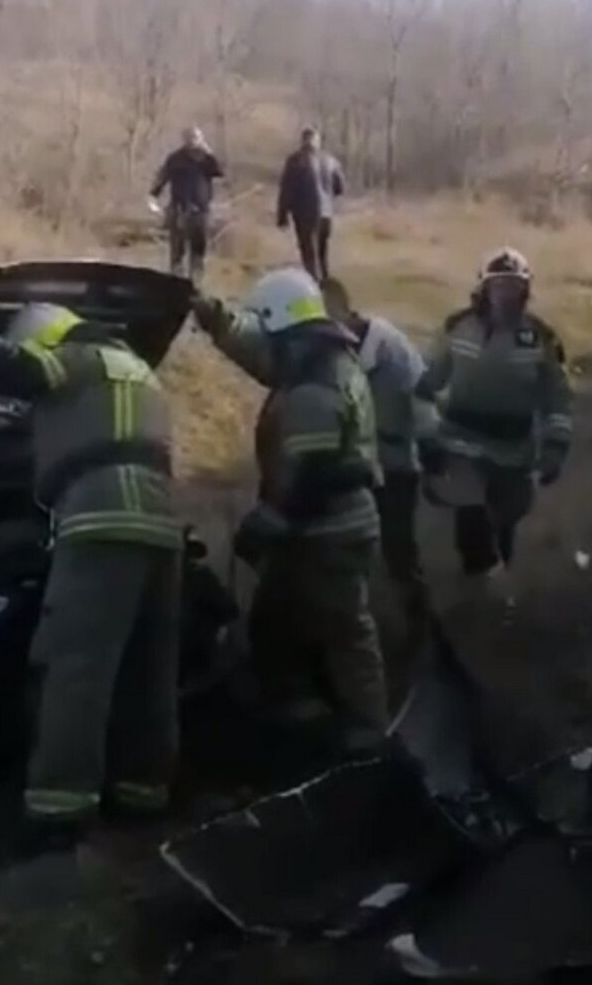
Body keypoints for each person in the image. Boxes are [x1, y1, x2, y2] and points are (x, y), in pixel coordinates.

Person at [0, 266, 182, 847]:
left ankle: (59, 808)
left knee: (76, 666)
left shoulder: (75, 358)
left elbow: (0, 367)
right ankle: (144, 793)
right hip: (160, 522)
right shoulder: (132, 369)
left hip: (101, 518)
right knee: (147, 668)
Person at [191, 268, 387, 747]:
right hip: (320, 529)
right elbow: (257, 351)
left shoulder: (314, 386)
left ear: (281, 326)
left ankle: (371, 736)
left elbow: (314, 472)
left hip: (328, 533)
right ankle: (295, 714)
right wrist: (212, 315)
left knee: (343, 632)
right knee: (276, 623)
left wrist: (270, 521)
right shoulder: (314, 359)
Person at [416, 248, 573, 580]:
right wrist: (427, 438)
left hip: (513, 450)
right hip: (460, 443)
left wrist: (556, 447)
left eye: (514, 286)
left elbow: (556, 398)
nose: (505, 294)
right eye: (498, 285)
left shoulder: (539, 339)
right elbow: (425, 385)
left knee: (505, 520)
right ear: (484, 290)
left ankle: (495, 589)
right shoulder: (458, 329)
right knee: (471, 520)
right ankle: (476, 583)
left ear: (525, 291)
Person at [321, 277, 437, 625]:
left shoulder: (390, 348)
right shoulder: (331, 352)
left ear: (345, 311)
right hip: (357, 466)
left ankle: (419, 624)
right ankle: (357, 620)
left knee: (398, 550)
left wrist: (429, 441)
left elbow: (421, 395)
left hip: (397, 465)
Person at [150, 127, 224, 282]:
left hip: (200, 211)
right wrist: (153, 195)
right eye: (189, 137)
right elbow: (163, 177)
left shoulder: (206, 159)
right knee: (177, 250)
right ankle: (176, 282)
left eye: (196, 137)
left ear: (200, 139)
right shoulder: (175, 158)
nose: (192, 140)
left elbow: (219, 172)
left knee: (198, 250)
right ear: (184, 139)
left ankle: (196, 283)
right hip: (179, 210)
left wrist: (208, 151)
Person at [277, 127, 345, 281]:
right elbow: (340, 187)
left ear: (303, 140)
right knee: (322, 254)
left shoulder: (295, 160)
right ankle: (326, 288)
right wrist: (328, 197)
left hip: (305, 214)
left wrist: (282, 216)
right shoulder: (331, 161)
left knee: (309, 255)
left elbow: (286, 189)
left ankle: (314, 289)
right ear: (317, 141)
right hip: (326, 214)